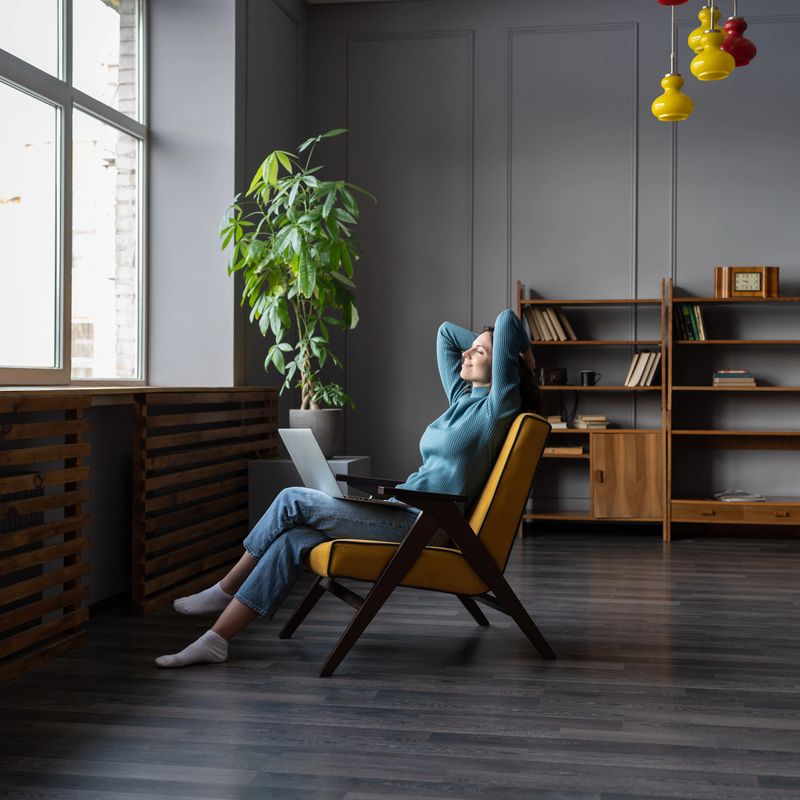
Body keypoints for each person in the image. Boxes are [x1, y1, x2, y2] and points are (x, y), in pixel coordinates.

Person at [155, 309, 538, 668]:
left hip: (426, 525)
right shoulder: (461, 399)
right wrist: (484, 345)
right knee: (293, 539)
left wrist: (520, 351)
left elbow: (507, 319)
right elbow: (445, 335)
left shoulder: (497, 408)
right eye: (471, 347)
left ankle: (225, 588)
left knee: (291, 499)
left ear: (503, 365)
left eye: (480, 351)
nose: (467, 352)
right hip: (401, 511)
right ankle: (217, 639)